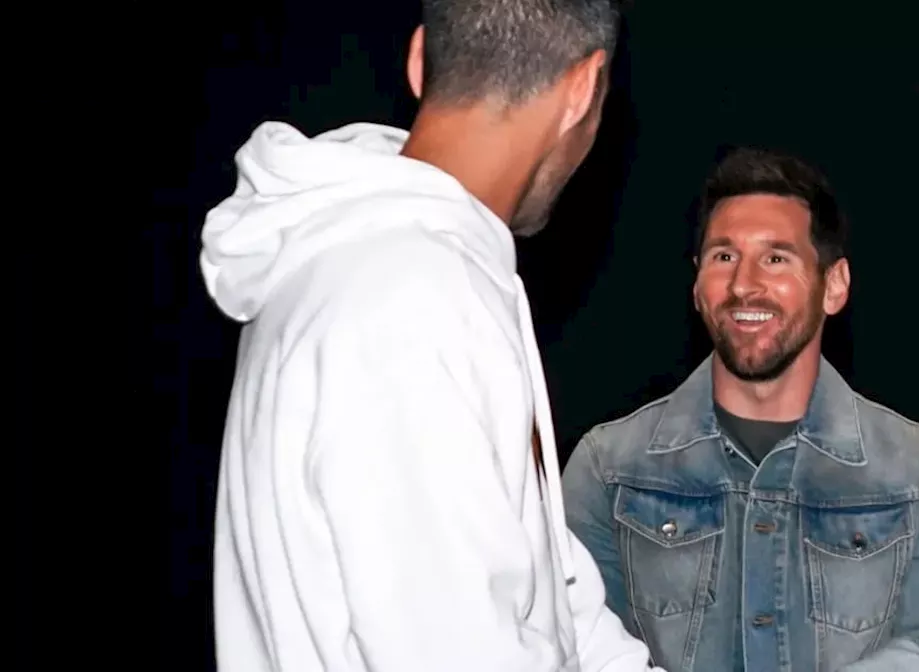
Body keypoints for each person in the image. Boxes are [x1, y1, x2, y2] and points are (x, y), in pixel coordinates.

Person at [198, 1, 663, 670]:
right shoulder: (412, 299)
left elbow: (554, 604)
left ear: (419, 60)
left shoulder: (385, 257)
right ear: (584, 88)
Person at [561, 147, 919, 672]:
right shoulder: (609, 467)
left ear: (834, 285)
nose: (744, 284)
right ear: (696, 285)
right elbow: (573, 641)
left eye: (776, 258)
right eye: (724, 256)